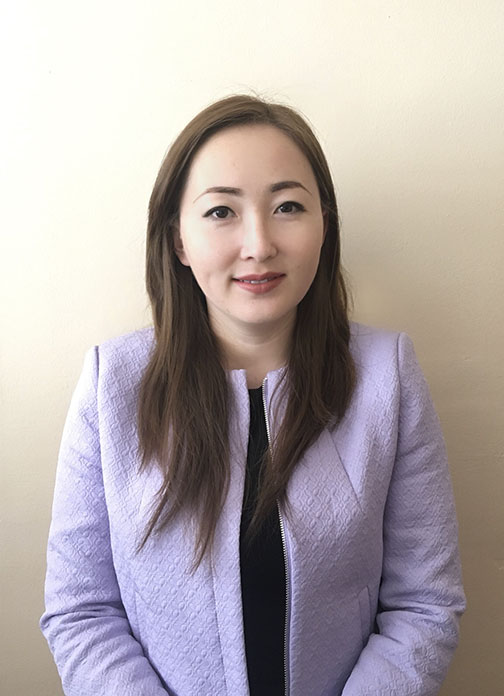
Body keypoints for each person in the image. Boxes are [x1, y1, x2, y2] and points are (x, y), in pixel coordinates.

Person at [40, 95, 465, 696]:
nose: (259, 244)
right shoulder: (113, 384)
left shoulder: (387, 376)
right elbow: (81, 612)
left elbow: (423, 605)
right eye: (221, 212)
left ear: (324, 226)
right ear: (179, 241)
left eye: (288, 206)